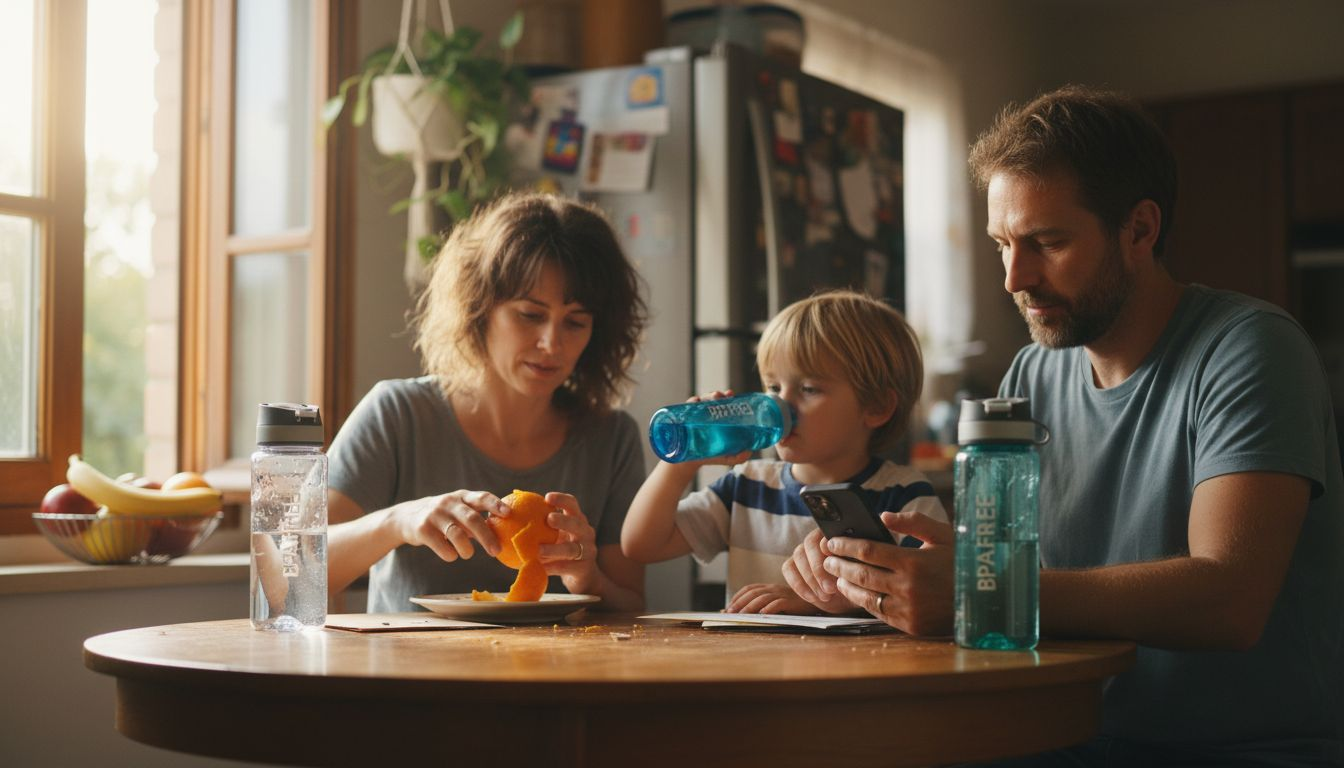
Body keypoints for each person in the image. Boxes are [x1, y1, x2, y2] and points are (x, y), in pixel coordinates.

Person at [785, 85, 1344, 765]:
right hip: (1060, 733)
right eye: (1001, 245)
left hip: (1241, 750)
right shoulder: (1029, 377)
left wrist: (975, 594)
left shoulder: (1249, 349)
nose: (1014, 277)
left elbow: (1229, 599)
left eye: (1047, 242)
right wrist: (881, 582)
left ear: (1139, 229)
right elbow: (999, 569)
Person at [325, 192, 649, 613]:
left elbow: (633, 609)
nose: (551, 343)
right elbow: (286, 574)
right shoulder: (397, 414)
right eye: (530, 315)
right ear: (479, 308)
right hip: (408, 676)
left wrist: (587, 577)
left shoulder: (611, 438)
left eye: (575, 322)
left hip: (555, 677)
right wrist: (397, 522)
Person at [622, 290, 946, 613]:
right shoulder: (748, 486)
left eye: (808, 389)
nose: (779, 405)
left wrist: (822, 603)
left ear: (876, 407)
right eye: (774, 387)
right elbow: (641, 544)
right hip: (754, 663)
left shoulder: (904, 498)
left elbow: (928, 591)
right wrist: (680, 464)